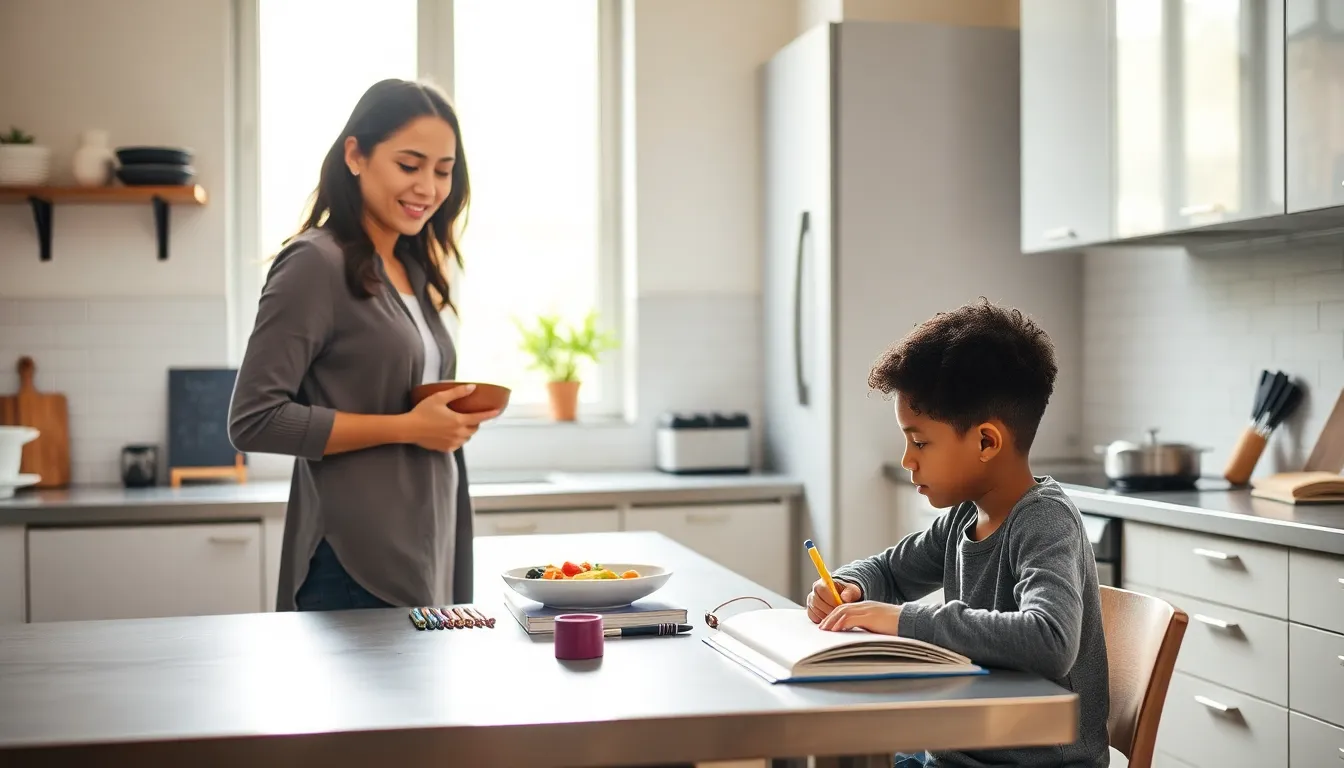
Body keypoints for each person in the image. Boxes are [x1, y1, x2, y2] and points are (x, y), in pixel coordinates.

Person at [229, 78, 500, 612]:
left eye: (443, 171)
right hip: (353, 559)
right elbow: (253, 419)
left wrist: (451, 416)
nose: (428, 187)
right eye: (409, 165)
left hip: (426, 549)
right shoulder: (315, 262)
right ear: (356, 154)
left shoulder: (412, 269)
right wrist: (409, 428)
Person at [808, 298, 1109, 768]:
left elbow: (1049, 640)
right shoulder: (964, 517)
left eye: (921, 441)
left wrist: (901, 619)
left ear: (987, 441)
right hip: (958, 752)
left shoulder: (1044, 522)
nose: (908, 460)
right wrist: (850, 586)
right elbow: (889, 569)